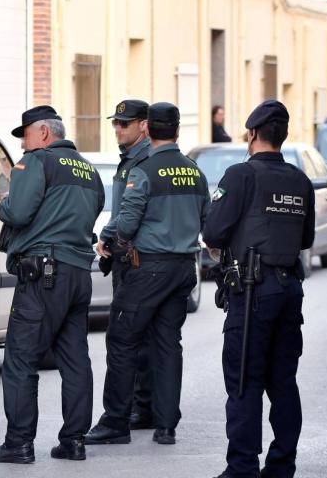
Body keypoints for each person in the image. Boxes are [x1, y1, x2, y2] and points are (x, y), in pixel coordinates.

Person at [0, 105, 104, 465]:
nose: (23, 145)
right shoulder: (88, 169)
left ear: (44, 133)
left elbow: (18, 213)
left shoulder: (37, 162)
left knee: (20, 358)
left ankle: (18, 443)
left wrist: (5, 202)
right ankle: (74, 441)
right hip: (79, 274)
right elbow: (92, 210)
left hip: (43, 273)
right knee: (75, 359)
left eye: (26, 136)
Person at [85, 102, 209, 447]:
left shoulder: (145, 170)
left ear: (149, 130)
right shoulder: (194, 172)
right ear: (178, 131)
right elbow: (206, 218)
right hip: (184, 268)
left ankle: (115, 421)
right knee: (168, 344)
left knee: (122, 339)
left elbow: (126, 221)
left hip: (148, 268)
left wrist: (115, 241)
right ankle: (165, 424)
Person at [202, 100, 314, 478]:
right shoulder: (300, 180)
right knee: (283, 381)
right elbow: (307, 236)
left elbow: (213, 232)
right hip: (288, 289)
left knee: (244, 381)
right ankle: (282, 466)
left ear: (251, 135)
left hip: (252, 292)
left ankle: (243, 468)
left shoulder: (240, 176)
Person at [96, 99, 155, 430]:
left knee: (131, 337)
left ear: (143, 126)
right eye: (115, 123)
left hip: (136, 258)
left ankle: (139, 407)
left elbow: (129, 214)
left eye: (125, 123)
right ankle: (143, 405)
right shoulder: (129, 159)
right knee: (139, 337)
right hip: (125, 255)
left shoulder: (144, 161)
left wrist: (107, 233)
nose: (117, 129)